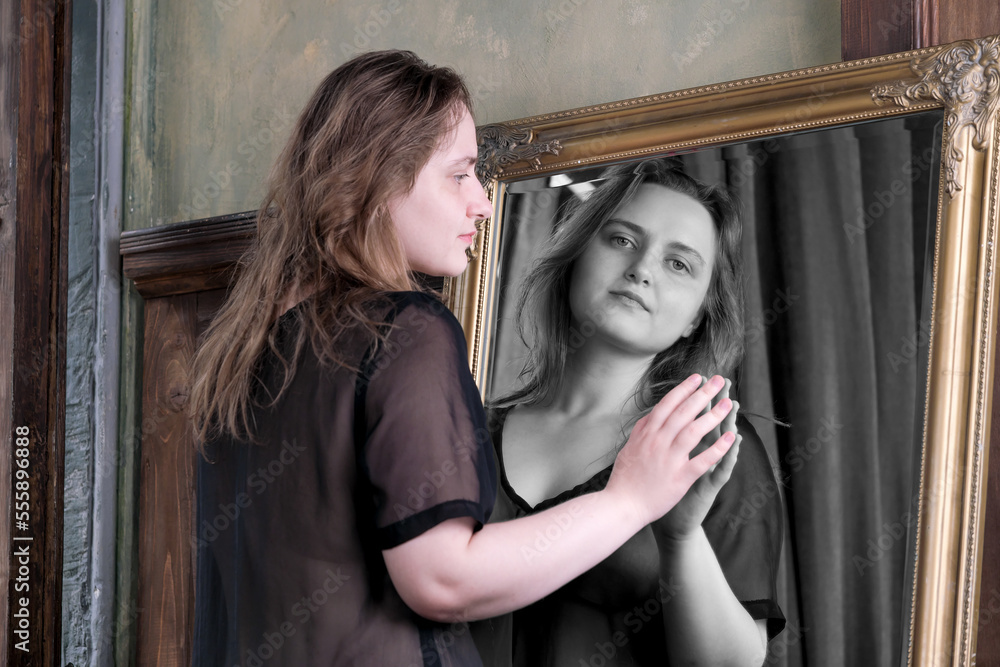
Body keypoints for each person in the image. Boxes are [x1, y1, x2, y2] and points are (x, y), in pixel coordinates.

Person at [188, 51, 738, 666]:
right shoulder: (403, 329)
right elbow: (443, 580)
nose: (482, 202)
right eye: (460, 175)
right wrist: (629, 501)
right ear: (378, 178)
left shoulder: (238, 356)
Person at [472, 159, 785, 666]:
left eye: (678, 264)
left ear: (697, 316)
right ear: (576, 257)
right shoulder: (468, 431)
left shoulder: (707, 445)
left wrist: (681, 538)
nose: (641, 269)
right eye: (621, 239)